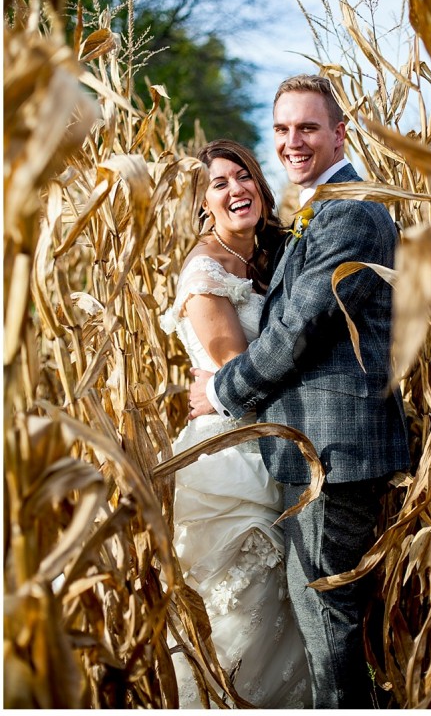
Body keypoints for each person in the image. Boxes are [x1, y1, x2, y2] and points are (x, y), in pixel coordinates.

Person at [189, 75, 411, 708]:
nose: (293, 141)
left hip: (333, 454)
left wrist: (224, 391)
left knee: (325, 622)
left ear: (339, 132)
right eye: (283, 129)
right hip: (310, 449)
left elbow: (299, 329)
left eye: (308, 128)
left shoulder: (352, 213)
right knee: (323, 620)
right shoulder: (315, 211)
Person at [160, 139, 310, 708]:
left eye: (241, 176)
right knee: (242, 612)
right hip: (228, 456)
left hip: (275, 443)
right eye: (218, 184)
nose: (234, 189)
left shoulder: (269, 255)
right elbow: (234, 370)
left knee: (286, 611)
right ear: (203, 203)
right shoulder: (206, 272)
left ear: (260, 185)